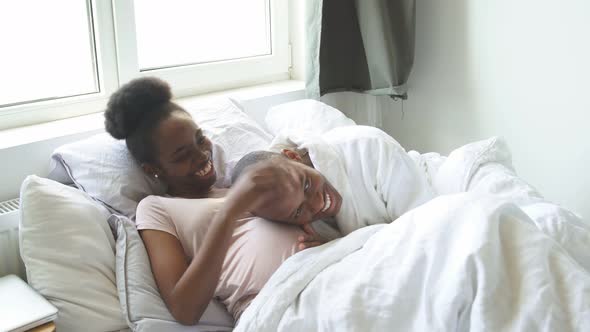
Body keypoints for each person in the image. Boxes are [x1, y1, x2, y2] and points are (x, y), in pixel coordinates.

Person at [104, 77, 315, 325]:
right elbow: (184, 309)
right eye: (182, 155)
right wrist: (230, 213)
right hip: (277, 308)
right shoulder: (156, 208)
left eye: (200, 138)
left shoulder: (239, 183)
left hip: (323, 273)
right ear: (153, 170)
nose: (202, 154)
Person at [231, 125, 436, 237]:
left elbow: (424, 228)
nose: (318, 204)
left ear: (293, 156)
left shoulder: (369, 148)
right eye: (298, 211)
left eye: (306, 185)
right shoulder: (294, 228)